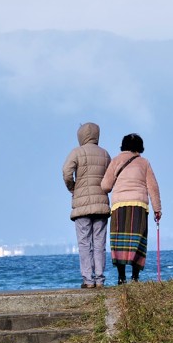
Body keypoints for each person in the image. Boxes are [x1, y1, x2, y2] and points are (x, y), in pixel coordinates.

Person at [100, 133, 162, 284]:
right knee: (138, 241)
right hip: (139, 206)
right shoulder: (144, 163)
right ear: (140, 147)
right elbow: (153, 187)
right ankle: (135, 277)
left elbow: (106, 186)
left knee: (119, 241)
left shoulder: (115, 161)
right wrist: (157, 208)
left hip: (119, 205)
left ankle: (121, 278)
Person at [62, 122, 112, 288]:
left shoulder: (77, 152)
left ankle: (88, 280)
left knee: (84, 243)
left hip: (82, 206)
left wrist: (73, 188)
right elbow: (110, 178)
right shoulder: (105, 154)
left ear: (81, 136)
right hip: (101, 205)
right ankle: (99, 280)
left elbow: (66, 172)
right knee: (99, 243)